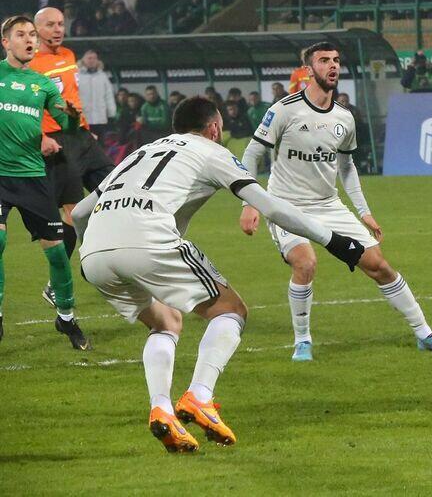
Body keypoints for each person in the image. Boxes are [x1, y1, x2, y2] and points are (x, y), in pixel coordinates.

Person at [72, 96, 365, 453]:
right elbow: (270, 206)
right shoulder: (212, 151)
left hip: (95, 254)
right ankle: (200, 395)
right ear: (214, 128)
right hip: (147, 239)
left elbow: (79, 213)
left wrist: (89, 251)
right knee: (231, 310)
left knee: (165, 322)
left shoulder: (141, 152)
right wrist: (334, 240)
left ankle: (161, 409)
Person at [239, 42, 432, 360]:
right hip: (286, 205)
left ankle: (425, 334)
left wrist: (364, 211)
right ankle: (303, 341)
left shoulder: (344, 117)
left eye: (336, 60)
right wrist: (249, 202)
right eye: (324, 60)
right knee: (305, 263)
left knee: (379, 266)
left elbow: (346, 167)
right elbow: (252, 153)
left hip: (328, 205)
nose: (333, 65)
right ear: (308, 69)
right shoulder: (284, 110)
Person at [0, 15, 91, 349]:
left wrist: (73, 116)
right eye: (21, 34)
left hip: (33, 178)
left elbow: (67, 126)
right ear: (5, 42)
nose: (30, 40)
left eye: (32, 35)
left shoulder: (44, 85)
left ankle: (66, 318)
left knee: (56, 252)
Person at [31, 9, 120, 274]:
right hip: (56, 141)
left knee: (117, 190)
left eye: (60, 24)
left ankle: (103, 263)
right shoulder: (30, 63)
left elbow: (72, 97)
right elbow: (26, 107)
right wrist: (41, 137)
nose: (58, 29)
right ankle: (60, 280)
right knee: (74, 211)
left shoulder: (69, 55)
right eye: (50, 25)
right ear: (37, 30)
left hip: (81, 136)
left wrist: (86, 129)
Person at [77, 50, 116, 131]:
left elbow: (109, 96)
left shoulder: (103, 76)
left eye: (94, 58)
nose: (92, 60)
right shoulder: (76, 76)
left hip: (100, 118)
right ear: (83, 60)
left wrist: (111, 113)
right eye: (89, 58)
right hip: (82, 118)